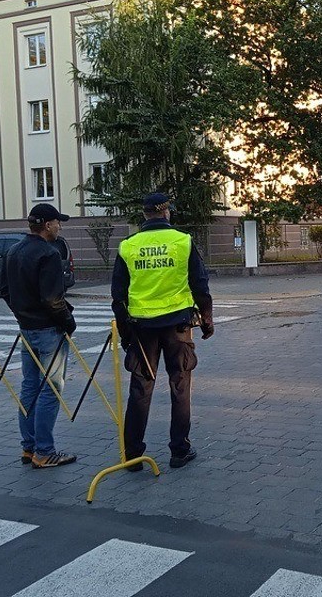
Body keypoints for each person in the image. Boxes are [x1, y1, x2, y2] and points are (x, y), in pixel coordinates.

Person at [111, 193, 214, 470]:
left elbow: (118, 297)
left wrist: (125, 334)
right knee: (180, 388)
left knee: (140, 391)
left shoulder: (129, 246)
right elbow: (200, 286)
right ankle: (179, 451)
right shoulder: (183, 241)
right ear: (167, 213)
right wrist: (207, 320)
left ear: (144, 215)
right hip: (178, 327)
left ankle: (132, 457)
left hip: (142, 328)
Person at [1, 204, 77, 469]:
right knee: (51, 390)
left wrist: (22, 314)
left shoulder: (13, 250)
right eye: (58, 222)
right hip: (48, 331)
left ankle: (29, 448)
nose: (59, 227)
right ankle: (44, 451)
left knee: (30, 387)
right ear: (47, 225)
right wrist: (68, 322)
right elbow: (52, 298)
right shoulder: (48, 253)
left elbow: (4, 289)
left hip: (27, 329)